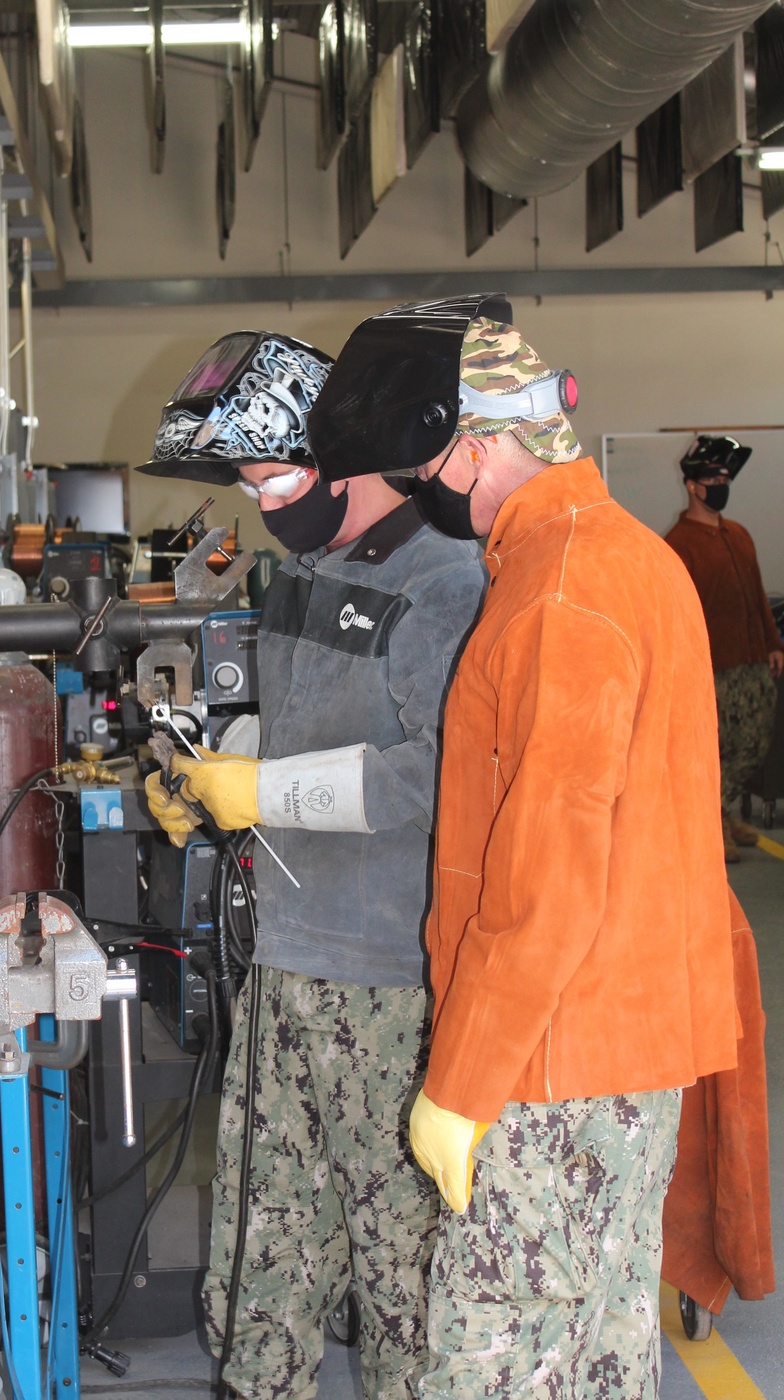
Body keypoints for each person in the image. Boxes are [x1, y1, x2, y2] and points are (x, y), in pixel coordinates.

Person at [306, 302, 741, 1399]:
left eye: (421, 468)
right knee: (595, 1360)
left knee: (490, 1366)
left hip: (550, 1069)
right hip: (624, 1061)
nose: (418, 492)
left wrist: (460, 1082)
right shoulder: (627, 559)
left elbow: (545, 881)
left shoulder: (556, 591)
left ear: (479, 442)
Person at [138, 327, 487, 1400]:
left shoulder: (451, 580)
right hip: (281, 970)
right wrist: (210, 777)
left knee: (402, 1281)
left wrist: (268, 794)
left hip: (391, 987)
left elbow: (438, 774)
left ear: (345, 451)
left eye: (278, 474)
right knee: (260, 1263)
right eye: (250, 484)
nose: (267, 503)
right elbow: (286, 731)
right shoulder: (296, 576)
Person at [663, 436, 784, 861]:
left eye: (725, 478)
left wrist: (772, 644)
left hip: (753, 660)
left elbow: (755, 593)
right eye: (713, 478)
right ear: (693, 485)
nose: (721, 484)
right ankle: (714, 820)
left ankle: (724, 810)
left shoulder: (740, 535)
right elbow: (677, 612)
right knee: (718, 746)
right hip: (713, 668)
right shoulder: (680, 542)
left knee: (753, 743)